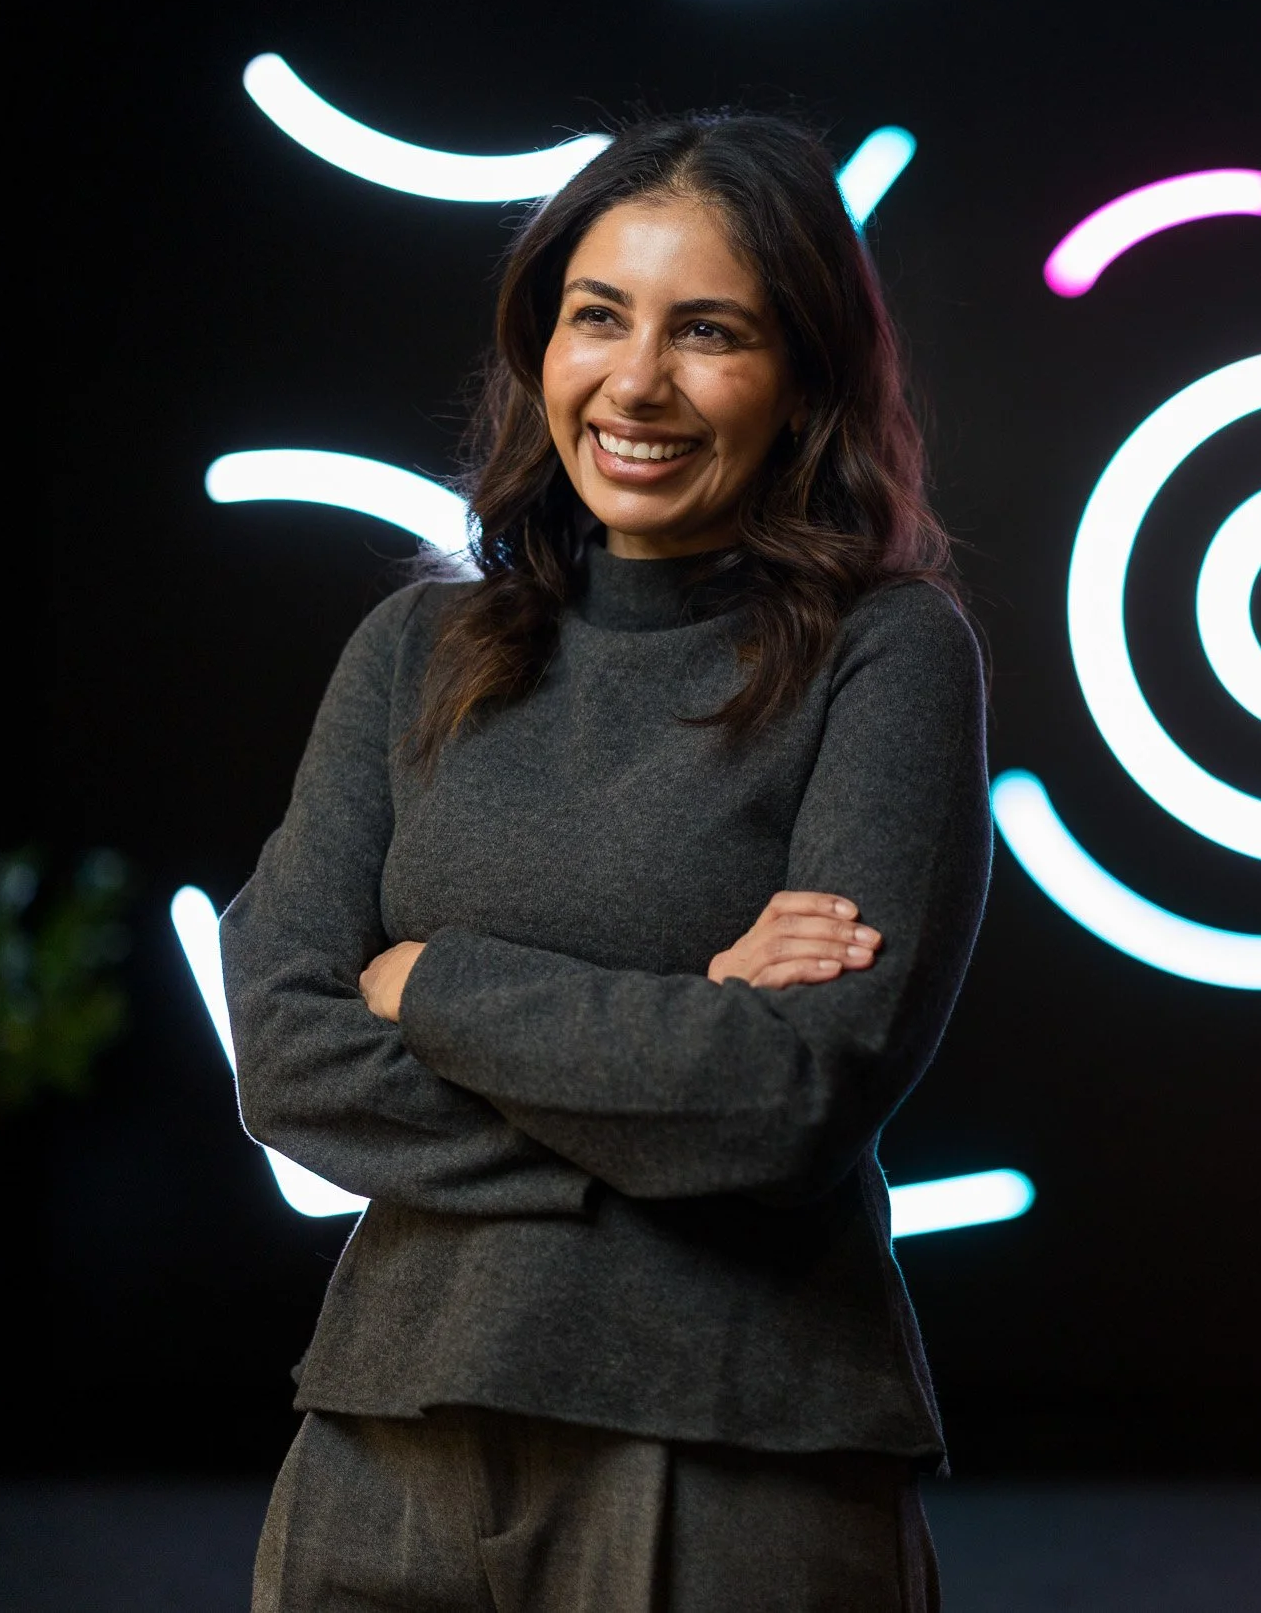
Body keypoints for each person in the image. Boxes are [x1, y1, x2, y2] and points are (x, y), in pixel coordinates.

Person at [222, 110, 990, 1612]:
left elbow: (786, 1100)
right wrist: (671, 1061)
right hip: (382, 1443)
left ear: (805, 376)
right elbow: (285, 1056)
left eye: (708, 331)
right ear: (543, 346)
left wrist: (431, 984)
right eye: (598, 316)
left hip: (734, 1449)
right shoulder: (414, 649)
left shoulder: (889, 655)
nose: (636, 382)